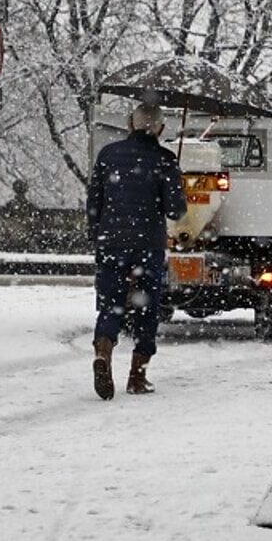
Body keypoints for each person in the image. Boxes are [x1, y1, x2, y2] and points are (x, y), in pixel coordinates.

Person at [85, 101, 187, 400]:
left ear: (130, 123)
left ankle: (103, 352)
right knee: (147, 307)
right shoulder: (165, 160)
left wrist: (97, 234)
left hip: (111, 242)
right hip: (147, 245)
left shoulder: (108, 155)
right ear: (160, 129)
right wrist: (172, 183)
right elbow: (176, 211)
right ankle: (137, 376)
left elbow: (94, 202)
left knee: (110, 304)